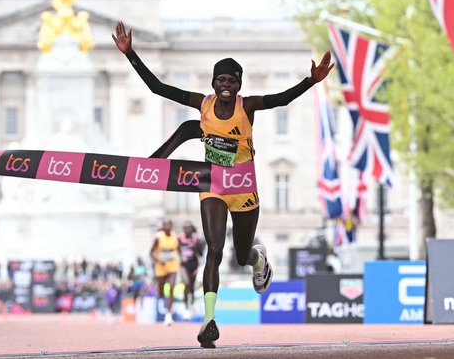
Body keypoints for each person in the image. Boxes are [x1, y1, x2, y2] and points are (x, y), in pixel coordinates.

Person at [113, 20, 334, 347]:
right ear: (214, 84)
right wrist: (131, 54)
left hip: (244, 188)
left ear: (239, 84)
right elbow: (159, 89)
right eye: (221, 80)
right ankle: (208, 320)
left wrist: (310, 81)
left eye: (232, 80)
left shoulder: (248, 105)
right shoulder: (202, 104)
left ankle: (259, 260)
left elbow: (281, 99)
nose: (226, 85)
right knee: (214, 250)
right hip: (213, 184)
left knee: (242, 256)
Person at [149, 218, 180, 326]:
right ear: (163, 226)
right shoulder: (158, 237)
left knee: (171, 288)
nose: (168, 227)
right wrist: (158, 260)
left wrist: (182, 258)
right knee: (161, 290)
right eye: (166, 225)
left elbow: (178, 250)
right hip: (160, 266)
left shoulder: (175, 236)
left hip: (172, 265)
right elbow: (151, 253)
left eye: (170, 225)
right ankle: (161, 304)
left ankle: (168, 315)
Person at [178, 221, 203, 320]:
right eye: (185, 228)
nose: (186, 230)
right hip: (183, 265)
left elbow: (201, 253)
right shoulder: (180, 238)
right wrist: (180, 258)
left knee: (191, 287)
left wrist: (197, 246)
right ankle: (186, 308)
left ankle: (192, 304)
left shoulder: (196, 239)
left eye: (188, 228)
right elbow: (176, 250)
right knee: (187, 284)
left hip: (194, 265)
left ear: (192, 229)